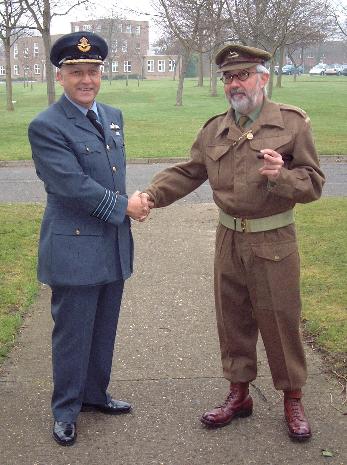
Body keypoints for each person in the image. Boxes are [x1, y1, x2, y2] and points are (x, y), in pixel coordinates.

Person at [143, 44, 325, 441]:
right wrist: (152, 196)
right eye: (228, 77)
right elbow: (189, 172)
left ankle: (292, 397)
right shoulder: (214, 129)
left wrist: (282, 176)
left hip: (274, 239)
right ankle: (239, 393)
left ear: (262, 77)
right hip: (229, 238)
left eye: (242, 74)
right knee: (233, 320)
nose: (234, 84)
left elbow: (313, 185)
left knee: (280, 320)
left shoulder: (291, 125)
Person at [28, 31, 149, 446]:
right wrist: (124, 207)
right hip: (74, 247)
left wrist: (128, 204)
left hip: (112, 245)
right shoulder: (46, 125)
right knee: (73, 333)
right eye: (76, 71)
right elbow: (71, 185)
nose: (86, 79)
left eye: (93, 71)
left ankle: (96, 395)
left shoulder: (112, 114)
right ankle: (65, 409)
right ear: (61, 76)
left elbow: (110, 174)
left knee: (103, 327)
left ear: (101, 73)